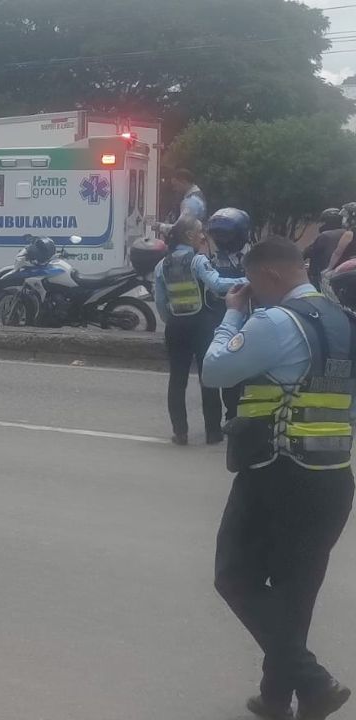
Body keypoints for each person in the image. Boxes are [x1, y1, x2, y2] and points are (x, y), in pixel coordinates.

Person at [202, 239, 355, 720]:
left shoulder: (273, 321)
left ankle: (313, 681)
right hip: (332, 476)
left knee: (234, 576)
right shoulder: (345, 322)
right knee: (295, 592)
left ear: (266, 274)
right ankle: (280, 699)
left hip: (275, 471)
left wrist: (232, 315)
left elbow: (214, 371)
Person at [153, 215, 247, 445]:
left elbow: (160, 302)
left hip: (175, 326)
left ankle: (180, 432)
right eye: (199, 232)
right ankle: (213, 432)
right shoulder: (198, 261)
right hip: (201, 325)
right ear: (188, 236)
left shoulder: (161, 264)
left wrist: (173, 320)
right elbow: (216, 284)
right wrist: (248, 280)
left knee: (177, 380)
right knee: (208, 378)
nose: (203, 236)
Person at [206, 207, 254, 421]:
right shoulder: (212, 260)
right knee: (226, 368)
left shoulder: (253, 256)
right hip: (221, 320)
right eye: (218, 234)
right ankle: (231, 414)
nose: (221, 239)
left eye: (226, 234)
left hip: (251, 321)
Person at [152, 168, 207, 236]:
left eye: (175, 185)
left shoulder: (191, 202)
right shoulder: (198, 197)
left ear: (184, 182)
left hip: (188, 242)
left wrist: (160, 226)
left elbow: (181, 228)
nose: (174, 189)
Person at [305, 208, 344, 288]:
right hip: (341, 275)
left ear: (328, 222)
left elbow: (307, 252)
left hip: (322, 276)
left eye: (323, 222)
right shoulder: (348, 234)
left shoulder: (325, 236)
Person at [323, 202, 356, 275]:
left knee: (330, 278)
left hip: (350, 268)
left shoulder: (349, 234)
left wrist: (329, 268)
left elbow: (338, 252)